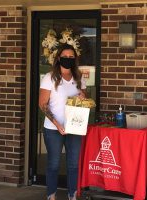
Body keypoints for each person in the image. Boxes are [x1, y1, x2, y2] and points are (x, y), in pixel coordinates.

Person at [39, 44, 86, 200]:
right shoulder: (50, 77)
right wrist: (57, 124)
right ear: (59, 58)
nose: (68, 59)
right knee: (54, 164)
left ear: (75, 59)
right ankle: (51, 195)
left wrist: (82, 97)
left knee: (73, 164)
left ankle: (72, 195)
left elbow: (82, 98)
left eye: (71, 57)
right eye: (65, 57)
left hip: (74, 127)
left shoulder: (78, 77)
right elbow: (42, 104)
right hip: (54, 129)